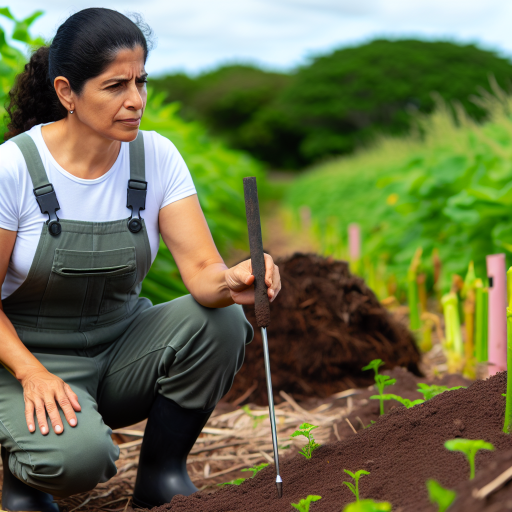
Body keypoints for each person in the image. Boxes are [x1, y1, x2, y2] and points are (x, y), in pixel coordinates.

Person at [0, 8, 281, 510]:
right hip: (23, 358)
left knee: (220, 323)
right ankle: (26, 482)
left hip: (119, 348)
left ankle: (161, 476)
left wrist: (236, 279)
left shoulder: (156, 158)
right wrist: (31, 373)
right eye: (115, 87)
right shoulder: (13, 169)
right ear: (67, 92)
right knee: (77, 462)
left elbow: (202, 275)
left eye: (141, 82)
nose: (136, 102)